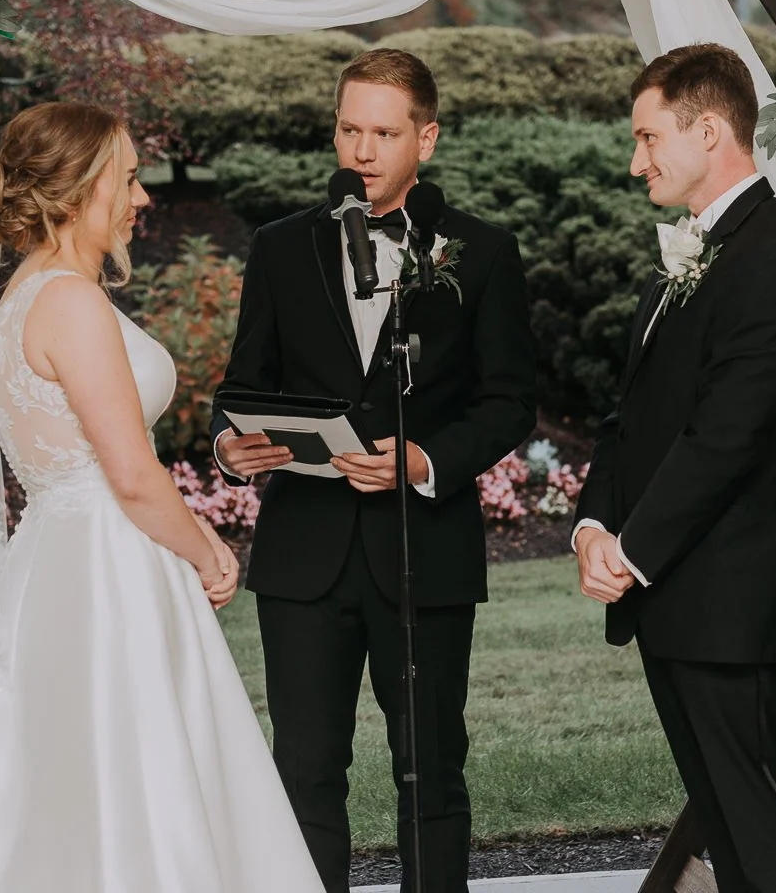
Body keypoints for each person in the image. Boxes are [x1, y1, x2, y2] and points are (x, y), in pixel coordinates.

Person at [0, 102, 323, 893]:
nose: (143, 198)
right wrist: (209, 550)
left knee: (68, 774)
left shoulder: (25, 298)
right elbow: (132, 475)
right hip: (108, 570)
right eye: (129, 179)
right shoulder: (69, 303)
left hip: (59, 560)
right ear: (77, 190)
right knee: (131, 767)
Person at [210, 49, 537, 893]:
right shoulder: (281, 248)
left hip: (425, 551)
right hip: (303, 560)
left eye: (384, 134)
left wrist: (425, 459)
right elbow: (241, 387)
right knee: (304, 771)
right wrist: (229, 447)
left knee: (431, 771)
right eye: (349, 130)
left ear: (426, 138)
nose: (362, 151)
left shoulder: (483, 253)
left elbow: (510, 402)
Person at [573, 43, 776, 893]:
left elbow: (727, 438)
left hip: (732, 595)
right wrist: (592, 527)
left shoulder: (775, 257)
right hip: (675, 594)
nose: (636, 160)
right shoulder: (695, 248)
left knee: (762, 822)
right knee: (727, 823)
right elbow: (631, 413)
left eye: (649, 138)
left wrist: (631, 550)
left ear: (710, 130)